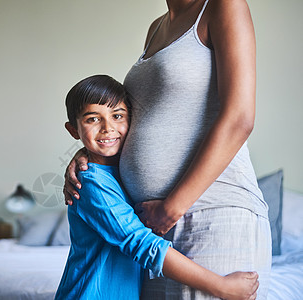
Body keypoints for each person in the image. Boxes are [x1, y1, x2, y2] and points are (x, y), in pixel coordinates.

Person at [63, 0, 272, 299]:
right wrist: (90, 156)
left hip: (210, 213)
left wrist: (172, 208)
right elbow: (140, 117)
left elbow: (239, 119)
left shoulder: (222, 5)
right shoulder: (156, 29)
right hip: (152, 231)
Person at [55, 74, 259, 300]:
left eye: (118, 116)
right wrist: (221, 286)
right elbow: (142, 244)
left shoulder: (118, 171)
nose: (107, 128)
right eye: (92, 119)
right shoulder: (89, 182)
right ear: (73, 130)